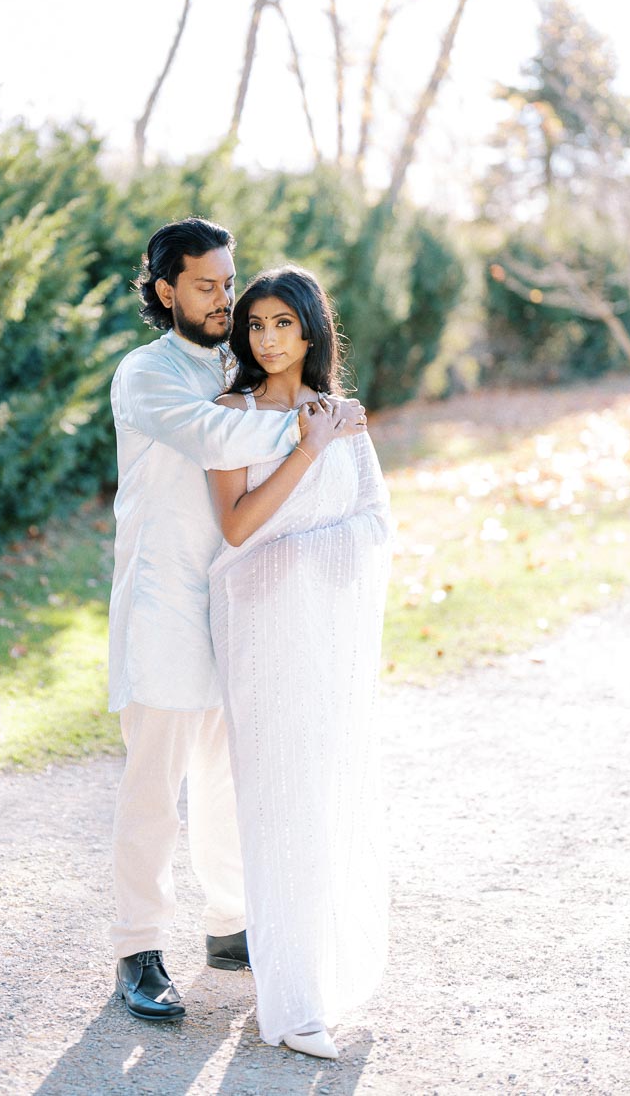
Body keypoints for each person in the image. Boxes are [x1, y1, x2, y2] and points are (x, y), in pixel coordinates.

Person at [108, 219, 361, 1023]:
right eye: (207, 285)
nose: (226, 299)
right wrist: (312, 424)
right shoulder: (145, 376)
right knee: (156, 787)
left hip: (232, 602)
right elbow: (216, 433)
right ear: (165, 291)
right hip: (162, 608)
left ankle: (228, 925)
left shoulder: (233, 364)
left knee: (226, 775)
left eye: (229, 282)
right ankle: (138, 948)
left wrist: (314, 411)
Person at [207, 265, 392, 1059]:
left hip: (327, 637)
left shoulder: (344, 415)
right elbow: (239, 530)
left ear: (311, 331)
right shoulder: (229, 415)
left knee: (328, 794)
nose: (267, 337)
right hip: (264, 638)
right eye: (255, 324)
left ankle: (318, 974)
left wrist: (324, 438)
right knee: (277, 801)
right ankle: (289, 1005)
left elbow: (376, 521)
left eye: (282, 323)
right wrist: (306, 450)